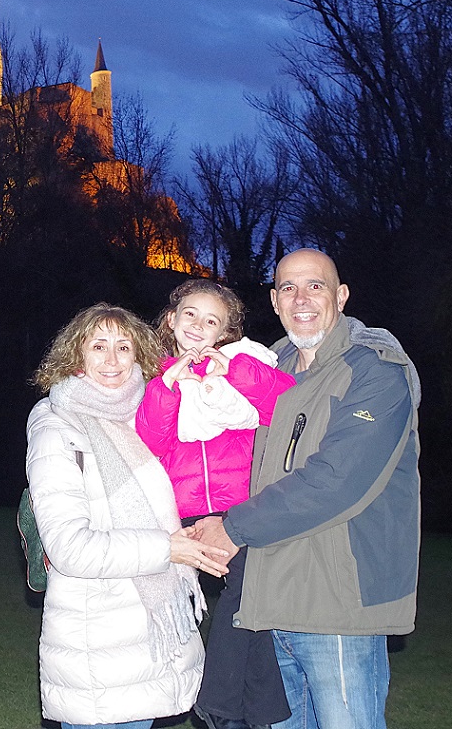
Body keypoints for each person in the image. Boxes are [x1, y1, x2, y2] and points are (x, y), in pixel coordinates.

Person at [192, 249, 421, 729]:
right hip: (267, 602)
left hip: (336, 606)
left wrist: (231, 528)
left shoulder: (375, 371)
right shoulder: (262, 372)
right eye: (288, 288)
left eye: (315, 286)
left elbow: (335, 479)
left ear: (340, 296)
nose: (301, 299)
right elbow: (216, 453)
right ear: (274, 301)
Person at [26, 302, 229, 729]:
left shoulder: (147, 417)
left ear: (140, 354)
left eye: (124, 346)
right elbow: (70, 548)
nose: (113, 359)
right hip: (98, 645)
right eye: (98, 346)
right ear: (75, 355)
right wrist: (168, 548)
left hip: (144, 645)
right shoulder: (57, 425)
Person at [135, 279, 295, 729]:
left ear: (224, 332)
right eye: (190, 314)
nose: (198, 326)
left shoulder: (245, 363)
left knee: (252, 594)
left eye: (212, 321)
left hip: (240, 510)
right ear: (172, 319)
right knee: (251, 599)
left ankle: (226, 705)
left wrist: (233, 370)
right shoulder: (156, 377)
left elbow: (283, 399)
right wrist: (168, 386)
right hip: (186, 514)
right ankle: (246, 710)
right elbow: (151, 440)